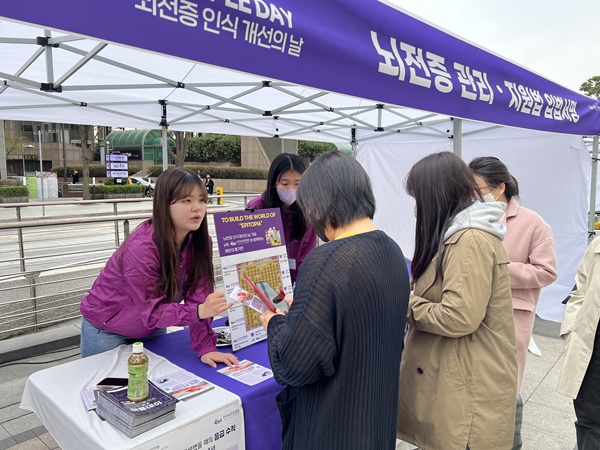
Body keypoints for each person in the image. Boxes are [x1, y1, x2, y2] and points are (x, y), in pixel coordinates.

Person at [259, 151, 410, 450]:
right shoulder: (393, 250)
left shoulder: (326, 260)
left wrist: (274, 322)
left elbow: (294, 364)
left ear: (319, 203)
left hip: (334, 428)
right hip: (376, 422)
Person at [397, 152, 517, 450]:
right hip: (461, 378)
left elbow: (459, 317)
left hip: (467, 391)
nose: (416, 208)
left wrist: (404, 303)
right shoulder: (460, 234)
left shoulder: (469, 240)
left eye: (419, 198)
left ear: (436, 196)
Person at [79, 168, 238, 369]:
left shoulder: (201, 242)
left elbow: (200, 298)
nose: (197, 208)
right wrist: (199, 310)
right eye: (186, 201)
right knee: (107, 392)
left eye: (202, 200)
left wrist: (206, 346)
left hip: (151, 327)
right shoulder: (142, 247)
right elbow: (153, 310)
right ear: (164, 204)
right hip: (107, 329)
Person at [469, 156, 558, 450]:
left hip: (511, 314)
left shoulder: (533, 223)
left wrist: (500, 269)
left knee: (504, 388)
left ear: (499, 188)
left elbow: (546, 272)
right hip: (473, 311)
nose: (474, 195)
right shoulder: (471, 218)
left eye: (478, 188)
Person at [247, 153, 318, 285]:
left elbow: (308, 256)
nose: (291, 189)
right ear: (274, 182)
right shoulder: (256, 207)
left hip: (291, 284)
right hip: (260, 280)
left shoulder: (308, 210)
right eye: (285, 184)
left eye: (297, 184)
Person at [558, 237, 600, 450]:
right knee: (588, 420)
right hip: (592, 344)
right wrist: (570, 328)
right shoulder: (598, 244)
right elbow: (580, 287)